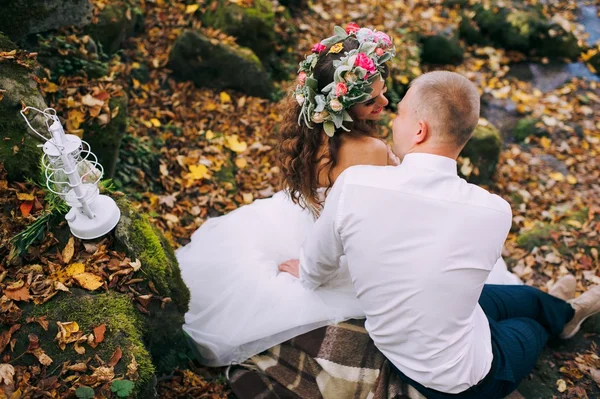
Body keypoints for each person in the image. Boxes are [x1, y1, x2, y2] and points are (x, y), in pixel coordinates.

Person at [178, 25, 518, 368]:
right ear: (344, 105)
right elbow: (394, 212)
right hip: (343, 247)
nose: (385, 103)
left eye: (384, 91)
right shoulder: (370, 151)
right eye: (372, 101)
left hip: (303, 225)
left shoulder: (309, 137)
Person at [279, 70, 600, 399]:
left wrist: (305, 271)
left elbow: (317, 264)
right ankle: (564, 318)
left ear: (420, 130)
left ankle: (563, 310)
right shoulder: (494, 210)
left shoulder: (355, 183)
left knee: (529, 300)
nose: (392, 120)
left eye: (400, 112)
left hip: (457, 323)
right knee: (532, 327)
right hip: (458, 378)